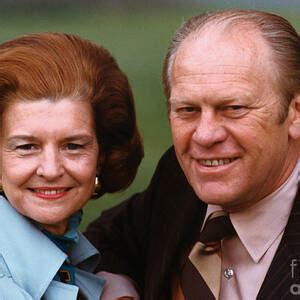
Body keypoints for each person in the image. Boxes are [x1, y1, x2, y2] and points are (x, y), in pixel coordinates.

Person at [85, 9, 300, 300]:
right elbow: (108, 242)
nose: (204, 135)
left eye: (234, 108)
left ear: (295, 113)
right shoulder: (179, 178)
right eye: (188, 110)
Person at [0, 32, 143, 299]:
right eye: (26, 147)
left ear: (102, 155)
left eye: (73, 146)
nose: (51, 170)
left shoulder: (74, 252)